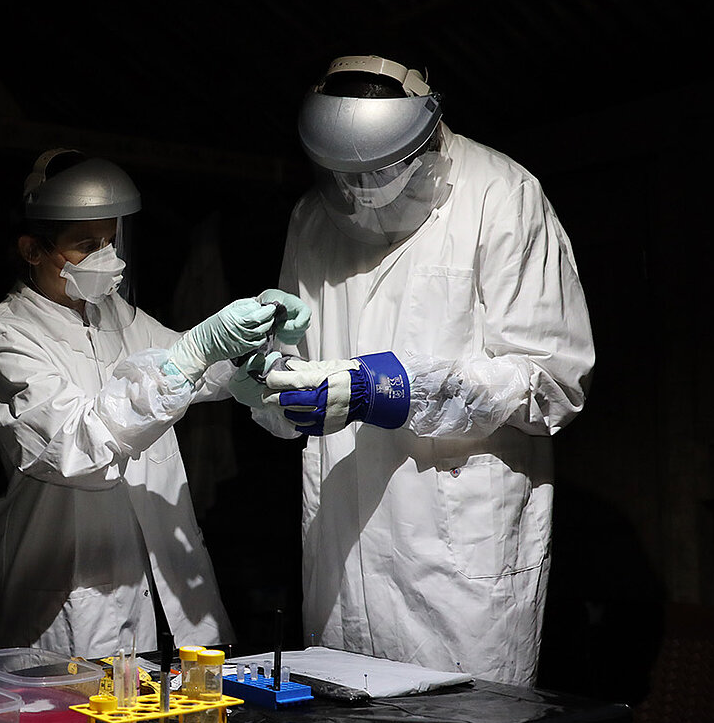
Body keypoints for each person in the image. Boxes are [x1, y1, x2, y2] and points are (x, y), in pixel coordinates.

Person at [239, 54, 595, 686]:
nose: (360, 190)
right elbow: (287, 356)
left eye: (380, 170)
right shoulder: (313, 218)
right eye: (344, 176)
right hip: (342, 551)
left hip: (457, 552)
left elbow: (553, 385)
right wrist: (279, 392)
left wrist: (398, 390)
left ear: (428, 137)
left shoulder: (501, 195)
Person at [0, 148, 308, 659]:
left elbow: (199, 367)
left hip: (163, 589)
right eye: (86, 245)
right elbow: (76, 445)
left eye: (110, 240)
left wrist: (253, 353)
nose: (107, 256)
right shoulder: (8, 336)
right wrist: (193, 355)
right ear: (33, 249)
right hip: (72, 595)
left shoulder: (118, 313)